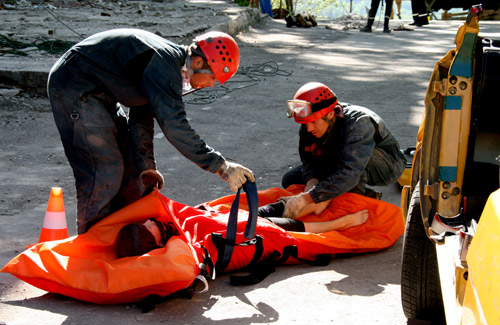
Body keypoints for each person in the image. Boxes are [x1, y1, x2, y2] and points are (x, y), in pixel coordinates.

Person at [47, 29, 255, 235]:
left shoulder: (167, 67)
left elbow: (142, 115)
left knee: (131, 167)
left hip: (100, 94)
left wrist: (146, 166)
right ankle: (90, 244)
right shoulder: (164, 66)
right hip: (75, 86)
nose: (210, 85)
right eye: (212, 78)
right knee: (105, 168)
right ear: (198, 63)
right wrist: (221, 166)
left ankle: (122, 237)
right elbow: (175, 127)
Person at [279, 82, 406, 219]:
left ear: (330, 115)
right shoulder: (309, 124)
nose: (309, 128)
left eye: (314, 122)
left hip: (385, 167)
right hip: (341, 160)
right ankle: (359, 193)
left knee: (349, 172)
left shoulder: (359, 123)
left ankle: (357, 198)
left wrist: (308, 198)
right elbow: (308, 159)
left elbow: (350, 172)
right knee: (290, 179)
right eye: (305, 123)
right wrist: (312, 182)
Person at [116, 208, 369, 258]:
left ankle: (310, 201)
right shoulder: (175, 245)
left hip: (231, 216)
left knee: (281, 207)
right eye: (149, 227)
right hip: (245, 228)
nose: (149, 221)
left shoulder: (163, 221)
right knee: (288, 227)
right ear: (157, 243)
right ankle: (341, 224)